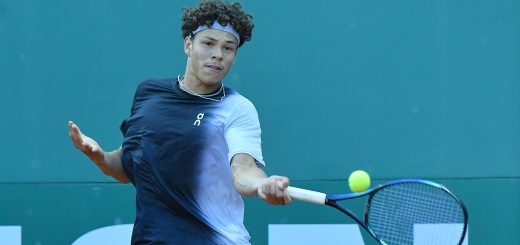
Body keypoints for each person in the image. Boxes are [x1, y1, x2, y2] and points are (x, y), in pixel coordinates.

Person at [68, 0, 292, 244]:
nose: (218, 54)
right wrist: (99, 155)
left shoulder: (236, 108)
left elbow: (243, 170)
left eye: (228, 48)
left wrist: (262, 184)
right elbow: (131, 168)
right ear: (188, 44)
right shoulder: (148, 94)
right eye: (208, 43)